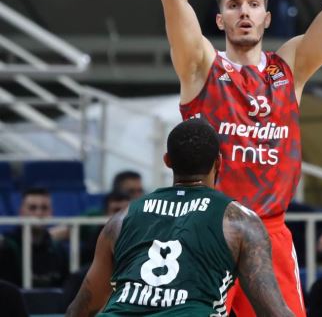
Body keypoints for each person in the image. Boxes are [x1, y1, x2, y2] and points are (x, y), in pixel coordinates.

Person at [161, 0, 322, 317]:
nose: (244, 12)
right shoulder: (201, 66)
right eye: (233, 5)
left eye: (253, 4)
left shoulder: (290, 67)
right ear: (220, 20)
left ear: (267, 18)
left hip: (269, 232)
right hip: (207, 227)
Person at [66, 118, 294, 317]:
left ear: (167, 161)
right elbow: (273, 312)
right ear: (219, 162)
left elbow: (82, 307)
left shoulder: (122, 219)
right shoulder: (239, 221)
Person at [0, 187, 69, 288]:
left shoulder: (59, 250)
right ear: (21, 212)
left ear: (51, 213)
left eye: (44, 208)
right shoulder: (6, 247)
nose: (38, 213)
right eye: (32, 208)